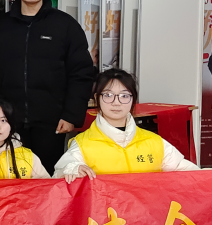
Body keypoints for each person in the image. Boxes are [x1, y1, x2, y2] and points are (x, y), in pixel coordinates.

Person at [0, 0, 96, 173]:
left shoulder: (65, 25)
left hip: (52, 121)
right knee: (11, 175)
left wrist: (71, 114)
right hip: (8, 121)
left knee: (48, 177)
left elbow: (81, 73)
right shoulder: (0, 28)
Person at [53, 69, 199, 180]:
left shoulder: (155, 143)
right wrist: (73, 169)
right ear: (97, 99)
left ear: (133, 100)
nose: (116, 102)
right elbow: (60, 173)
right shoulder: (83, 145)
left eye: (124, 96)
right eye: (108, 95)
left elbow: (190, 174)